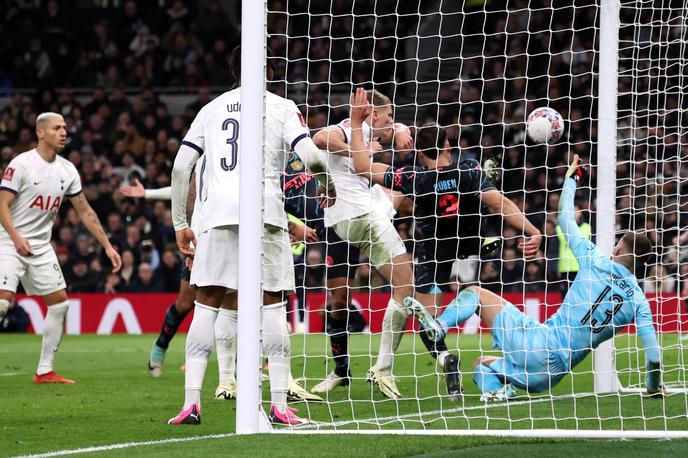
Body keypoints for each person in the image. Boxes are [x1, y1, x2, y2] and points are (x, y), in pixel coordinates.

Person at [167, 46, 334, 426]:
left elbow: (181, 168)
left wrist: (180, 224)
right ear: (270, 71)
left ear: (233, 71)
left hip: (216, 216)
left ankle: (191, 403)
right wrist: (325, 185)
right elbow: (315, 158)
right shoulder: (281, 105)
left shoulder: (210, 109)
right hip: (265, 214)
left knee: (206, 306)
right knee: (272, 307)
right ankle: (279, 405)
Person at [406, 155, 663, 400]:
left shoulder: (595, 260)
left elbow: (564, 218)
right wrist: (652, 386)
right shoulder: (639, 302)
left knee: (473, 293)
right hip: (552, 376)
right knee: (480, 366)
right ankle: (498, 391)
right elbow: (653, 356)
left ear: (617, 250)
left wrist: (573, 178)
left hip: (539, 345)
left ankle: (439, 328)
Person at [349, 88, 542, 400]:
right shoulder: (469, 171)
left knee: (431, 321)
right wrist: (532, 230)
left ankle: (444, 357)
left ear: (420, 154)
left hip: (433, 251)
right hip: (477, 245)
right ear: (449, 145)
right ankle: (509, 345)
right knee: (480, 283)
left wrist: (357, 123)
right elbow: (500, 204)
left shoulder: (415, 178)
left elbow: (363, 167)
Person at [119, 178, 320, 403]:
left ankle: (242, 379)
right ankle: (163, 347)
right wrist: (148, 194)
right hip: (206, 233)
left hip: (237, 229)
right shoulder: (206, 156)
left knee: (252, 299)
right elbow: (185, 190)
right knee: (188, 302)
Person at [0, 112, 122, 384]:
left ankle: (44, 370)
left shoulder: (67, 170)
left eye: (65, 127)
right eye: (57, 128)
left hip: (40, 247)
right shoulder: (21, 164)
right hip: (9, 241)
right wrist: (16, 236)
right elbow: (2, 205)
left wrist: (107, 246)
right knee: (2, 303)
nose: (64, 132)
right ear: (40, 133)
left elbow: (85, 211)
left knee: (59, 305)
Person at [312, 88, 415, 399]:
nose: (393, 122)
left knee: (396, 288)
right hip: (357, 217)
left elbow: (394, 128)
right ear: (374, 115)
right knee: (401, 288)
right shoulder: (349, 128)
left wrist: (401, 129)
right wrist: (357, 148)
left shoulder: (375, 129)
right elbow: (320, 139)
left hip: (349, 219)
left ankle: (354, 371)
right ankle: (375, 368)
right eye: (390, 117)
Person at [281, 152, 367, 394]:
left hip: (355, 213)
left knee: (401, 283)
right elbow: (265, 207)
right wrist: (292, 226)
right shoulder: (266, 168)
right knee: (339, 301)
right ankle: (342, 370)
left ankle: (390, 367)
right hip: (329, 230)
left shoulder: (308, 149)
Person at [555, 204, 591, 297]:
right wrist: (553, 268)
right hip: (565, 270)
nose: (573, 213)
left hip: (583, 269)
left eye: (575, 210)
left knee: (581, 298)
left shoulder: (587, 228)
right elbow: (553, 250)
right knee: (565, 298)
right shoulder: (559, 229)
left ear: (580, 213)